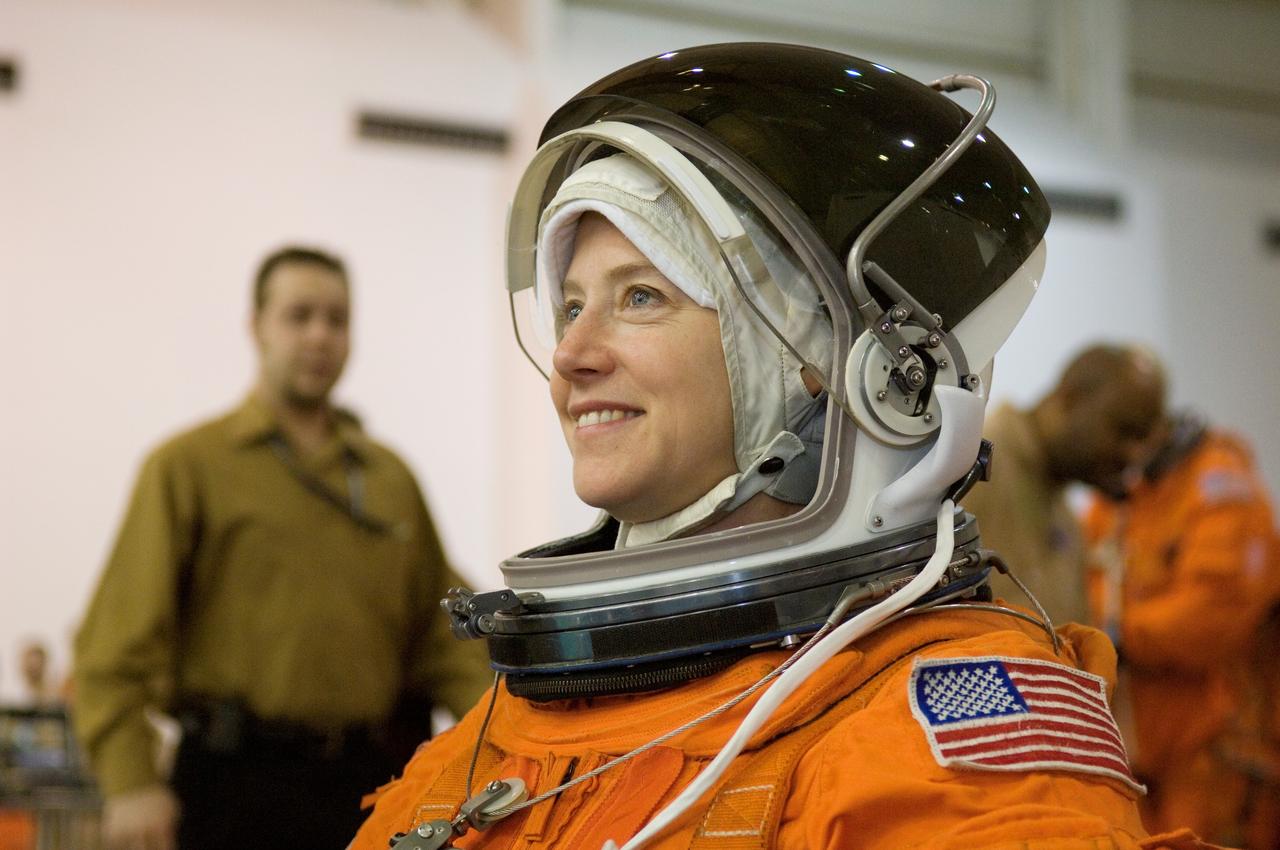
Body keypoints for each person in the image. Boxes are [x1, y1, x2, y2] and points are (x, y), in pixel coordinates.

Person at [353, 43, 1218, 850]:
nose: (572, 353)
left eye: (642, 297)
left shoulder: (949, 750)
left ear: (822, 369)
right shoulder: (491, 741)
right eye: (571, 306)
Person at [73, 246, 491, 850]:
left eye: (336, 319)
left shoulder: (389, 480)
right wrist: (130, 780)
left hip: (370, 785)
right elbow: (114, 642)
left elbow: (442, 638)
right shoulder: (189, 467)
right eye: (299, 316)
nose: (320, 334)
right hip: (232, 786)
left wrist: (509, 736)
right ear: (257, 327)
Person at [1084, 411, 1280, 847]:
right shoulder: (1123, 494)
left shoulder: (1221, 487)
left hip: (1210, 742)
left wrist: (1116, 637)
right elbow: (1081, 587)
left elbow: (1213, 614)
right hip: (1127, 742)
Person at [961, 344, 1166, 626]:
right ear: (1070, 399)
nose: (1135, 455)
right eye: (1124, 430)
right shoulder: (971, 464)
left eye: (1142, 439)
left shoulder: (1069, 521)